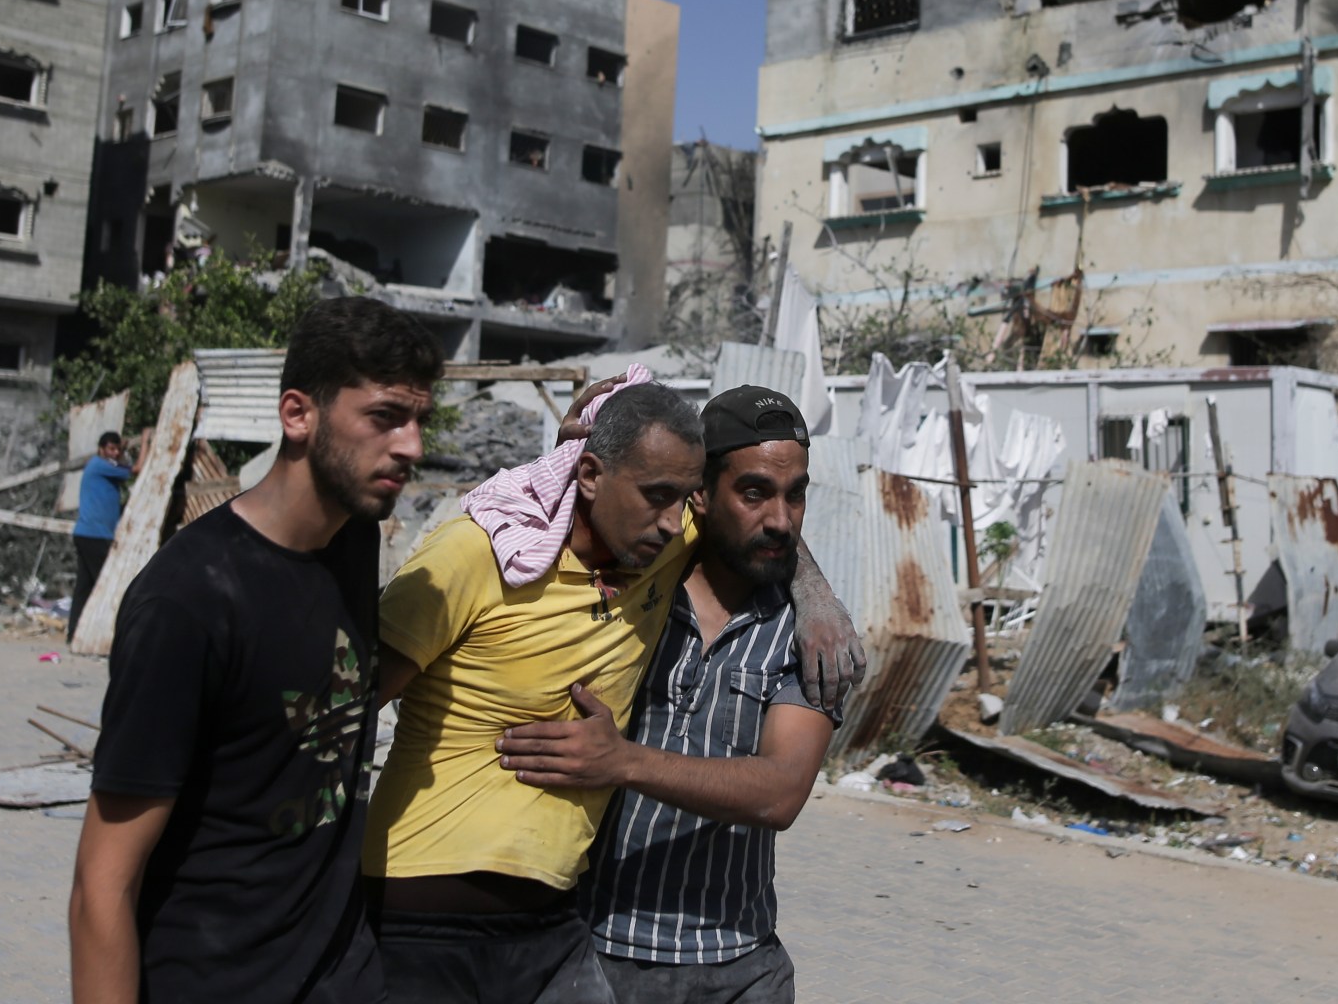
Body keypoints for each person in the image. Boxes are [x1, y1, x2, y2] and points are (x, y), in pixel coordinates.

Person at [68, 295, 442, 1004]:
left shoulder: (355, 540)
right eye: (386, 417)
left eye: (421, 419)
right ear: (298, 414)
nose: (412, 446)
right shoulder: (187, 602)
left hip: (342, 971)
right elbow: (101, 885)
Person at [365, 383, 710, 1004]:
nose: (671, 521)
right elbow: (345, 708)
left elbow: (764, 519)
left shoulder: (662, 545)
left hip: (552, 924)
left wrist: (820, 605)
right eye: (656, 496)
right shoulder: (477, 553)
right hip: (422, 921)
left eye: (683, 499)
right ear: (590, 475)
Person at [501, 387, 833, 1004]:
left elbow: (783, 791)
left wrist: (622, 761)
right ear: (699, 493)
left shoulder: (811, 635)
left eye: (796, 494)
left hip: (741, 966)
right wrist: (566, 464)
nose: (781, 519)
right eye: (754, 492)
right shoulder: (626, 593)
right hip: (594, 953)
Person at [68, 431, 132, 638]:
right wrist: (147, 441)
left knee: (84, 587)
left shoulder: (105, 467)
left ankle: (74, 633)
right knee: (105, 585)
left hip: (86, 534)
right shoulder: (100, 465)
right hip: (95, 536)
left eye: (117, 450)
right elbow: (136, 470)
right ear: (101, 449)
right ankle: (106, 635)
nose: (115, 454)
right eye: (111, 449)